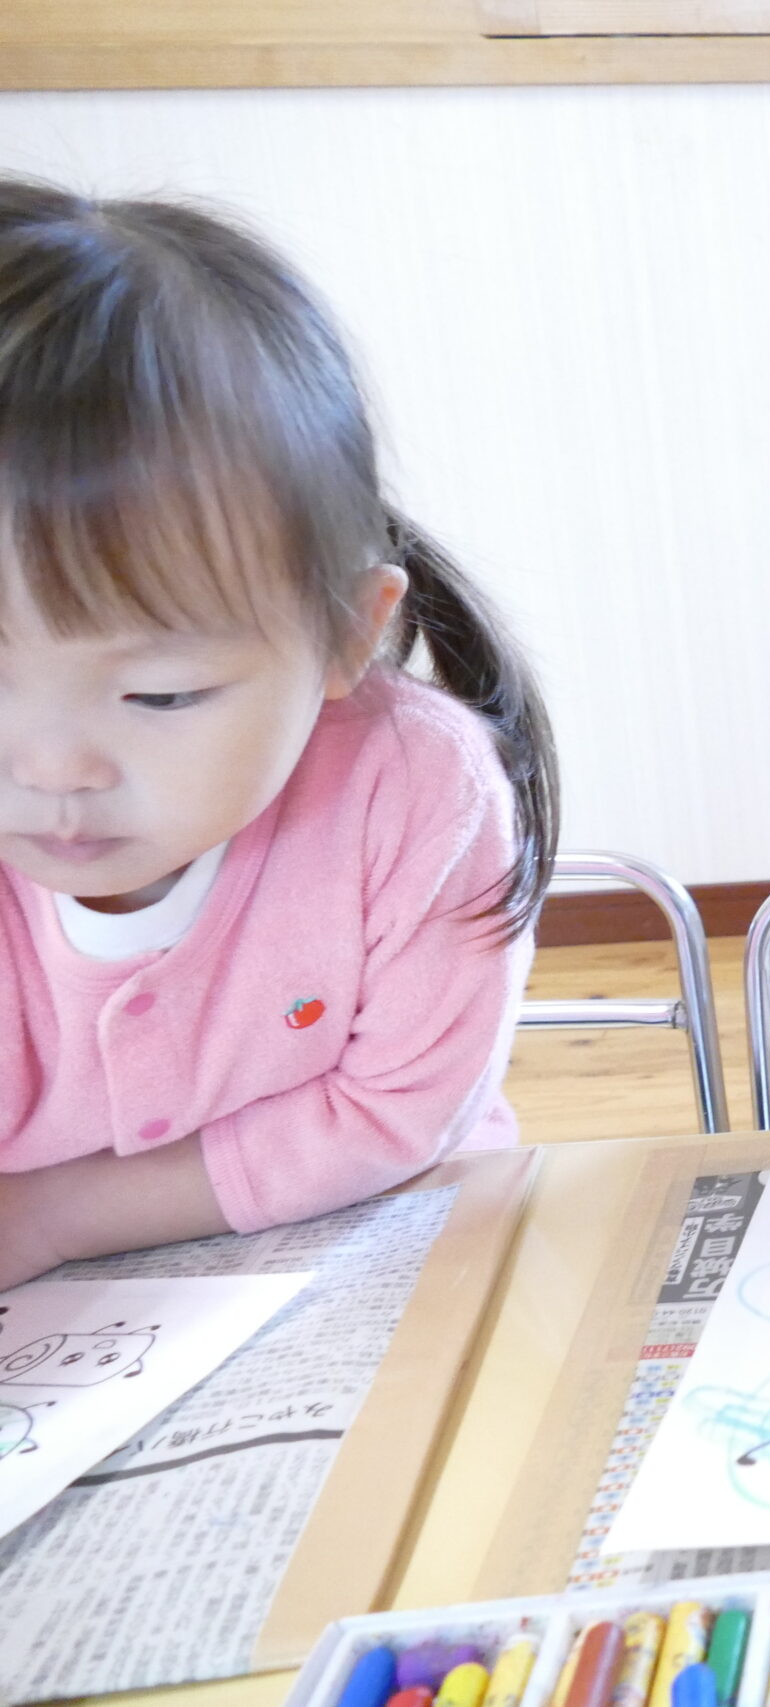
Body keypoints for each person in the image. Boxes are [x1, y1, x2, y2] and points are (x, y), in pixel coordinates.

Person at [0, 180, 558, 1289]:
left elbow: (397, 1110)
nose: (54, 769)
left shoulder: (416, 789)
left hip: (387, 1243)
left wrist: (54, 1215)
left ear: (349, 632)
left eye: (162, 695)